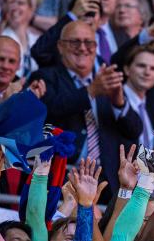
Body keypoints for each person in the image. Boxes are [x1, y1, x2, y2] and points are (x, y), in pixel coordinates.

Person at [28, 20, 128, 163]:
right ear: (60, 46)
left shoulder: (106, 79)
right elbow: (52, 110)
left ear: (96, 47)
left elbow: (134, 130)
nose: (82, 48)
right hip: (63, 170)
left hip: (103, 173)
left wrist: (119, 105)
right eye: (75, 42)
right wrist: (91, 90)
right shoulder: (44, 77)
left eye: (88, 42)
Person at [0, 0, 41, 78]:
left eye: (20, 3)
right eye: (12, 2)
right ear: (4, 7)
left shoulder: (36, 39)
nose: (15, 7)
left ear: (30, 10)